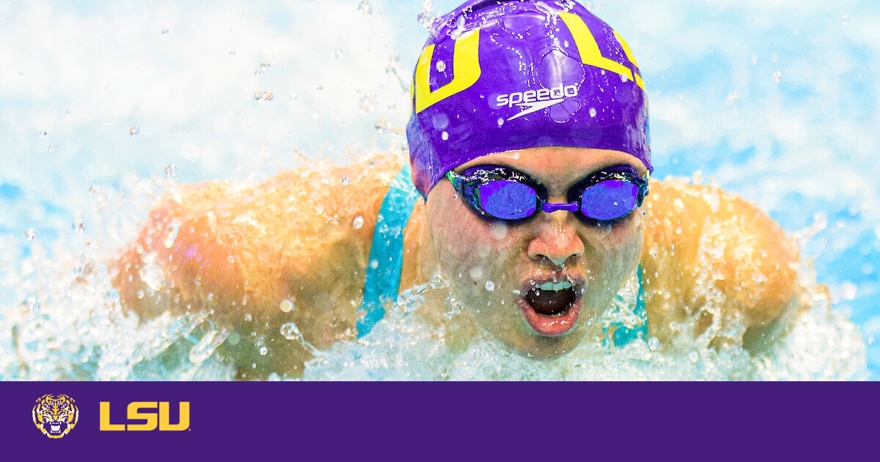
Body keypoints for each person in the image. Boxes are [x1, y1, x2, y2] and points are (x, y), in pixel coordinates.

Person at [112, 0, 813, 380]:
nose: (562, 246)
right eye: (509, 197)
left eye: (605, 197)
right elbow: (49, 404)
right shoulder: (259, 274)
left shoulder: (728, 282)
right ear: (424, 175)